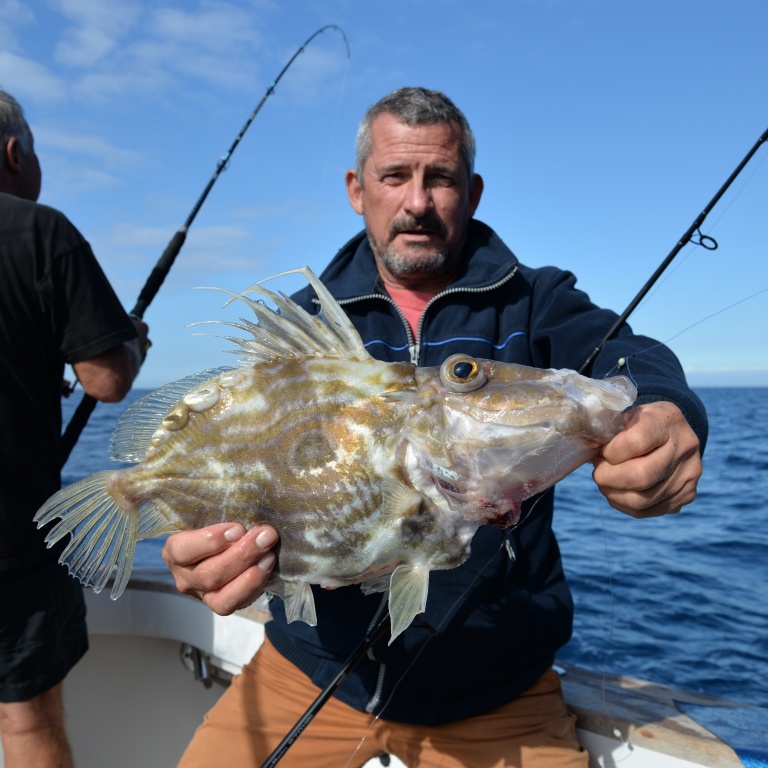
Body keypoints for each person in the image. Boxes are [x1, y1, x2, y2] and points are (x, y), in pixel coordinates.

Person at [162, 88, 707, 768]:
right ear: (357, 189)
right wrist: (203, 548)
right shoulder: (305, 333)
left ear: (472, 191)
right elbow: (233, 452)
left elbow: (633, 356)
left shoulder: (533, 304)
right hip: (310, 671)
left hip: (498, 690)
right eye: (395, 177)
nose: (417, 202)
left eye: (439, 178)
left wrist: (668, 409)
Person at [0, 89, 149, 768]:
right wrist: (134, 343)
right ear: (14, 152)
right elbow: (107, 379)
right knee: (27, 723)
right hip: (13, 543)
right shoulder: (39, 231)